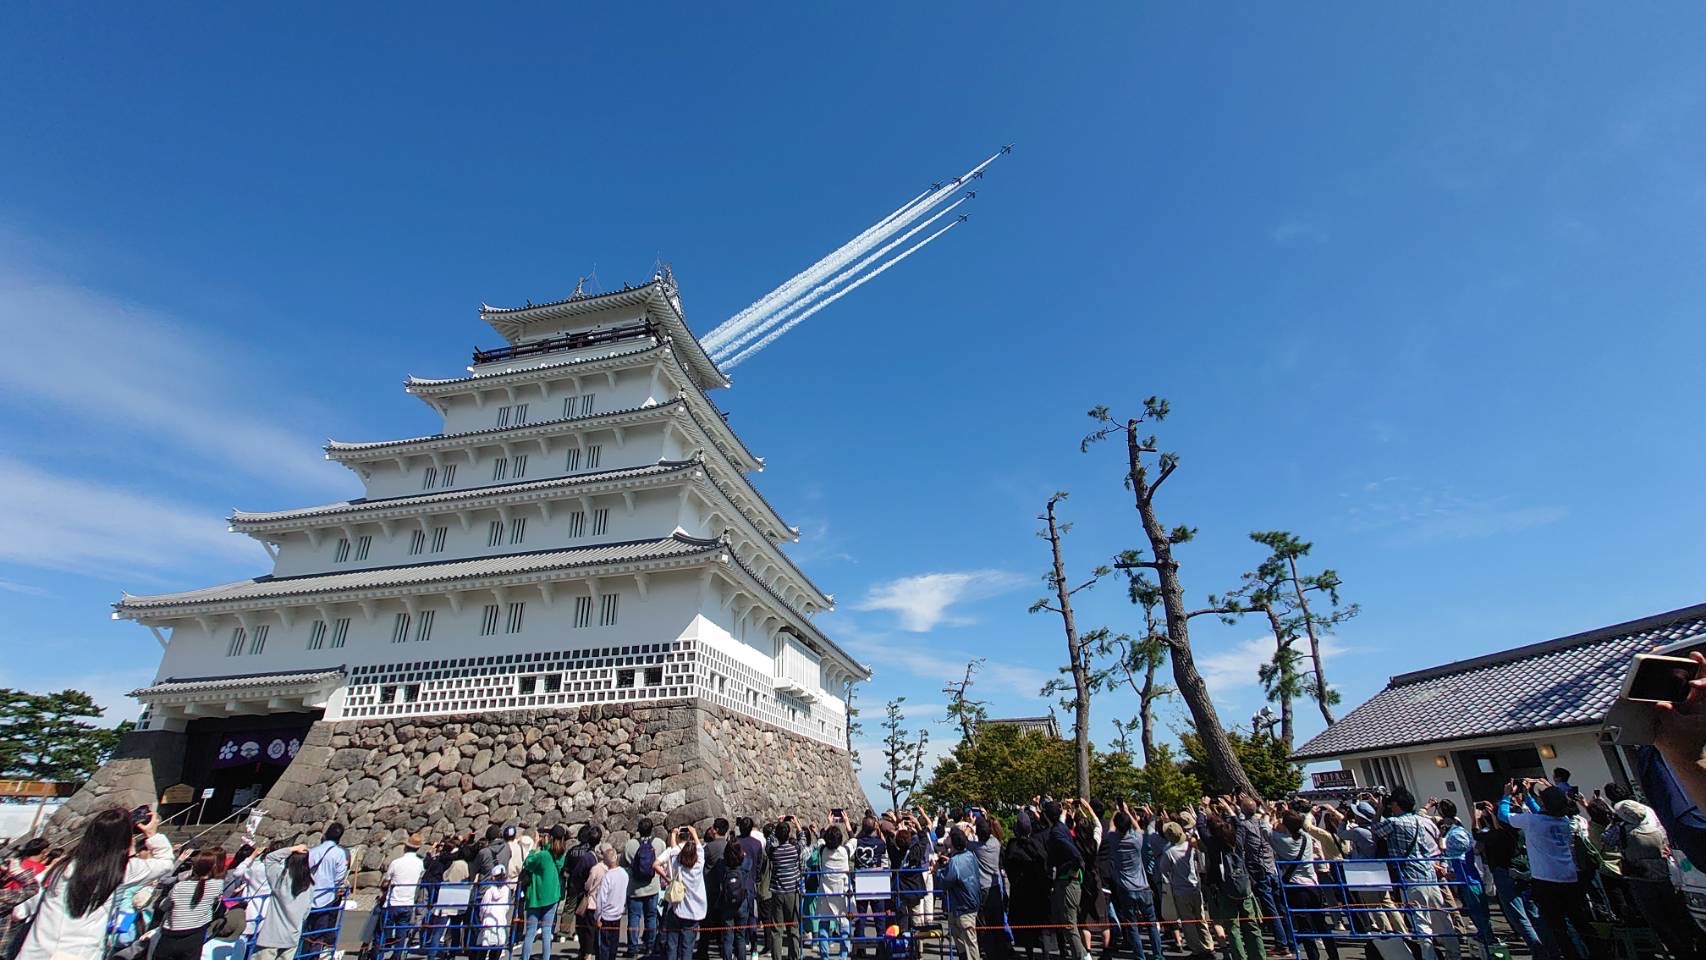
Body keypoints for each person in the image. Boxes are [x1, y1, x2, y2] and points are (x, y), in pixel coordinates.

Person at [15, 806, 174, 960]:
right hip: (79, 952)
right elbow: (165, 863)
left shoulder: (60, 867)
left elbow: (20, 911)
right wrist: (152, 834)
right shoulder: (121, 869)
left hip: (36, 951)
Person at [1499, 781, 1603, 960]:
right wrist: (1529, 796)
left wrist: (1507, 795)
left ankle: (1571, 955)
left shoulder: (1533, 821)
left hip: (1546, 880)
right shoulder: (1563, 821)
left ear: (1545, 803)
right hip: (1570, 877)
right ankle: (1597, 953)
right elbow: (1542, 812)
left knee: (1557, 926)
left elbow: (1504, 816)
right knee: (1579, 921)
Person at [1610, 799, 1703, 960]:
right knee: (1676, 915)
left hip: (1641, 880)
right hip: (1664, 877)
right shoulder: (1656, 828)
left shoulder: (1623, 832)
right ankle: (1689, 946)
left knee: (1658, 920)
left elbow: (1607, 841)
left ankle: (1677, 950)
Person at [1269, 809, 1339, 960]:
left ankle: (1313, 956)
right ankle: (1334, 955)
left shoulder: (1282, 842)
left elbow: (1266, 830)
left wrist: (1273, 816)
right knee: (1321, 923)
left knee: (1304, 925)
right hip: (1313, 884)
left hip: (1296, 886)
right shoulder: (1307, 838)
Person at [1200, 813, 1263, 960]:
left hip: (1226, 891)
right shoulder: (1238, 842)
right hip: (1245, 889)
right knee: (1252, 927)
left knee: (1233, 929)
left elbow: (1200, 827)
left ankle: (1239, 957)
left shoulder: (1213, 845)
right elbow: (1240, 825)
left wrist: (1201, 813)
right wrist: (1231, 812)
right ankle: (1259, 955)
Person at [1232, 795, 1291, 953]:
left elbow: (1238, 847)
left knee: (1271, 907)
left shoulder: (1244, 826)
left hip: (1259, 869)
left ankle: (1282, 943)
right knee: (1281, 906)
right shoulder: (1264, 823)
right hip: (1272, 866)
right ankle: (1291, 939)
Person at [1102, 810, 1161, 960]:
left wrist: (1115, 814)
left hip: (1126, 888)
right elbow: (1139, 829)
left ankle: (1140, 956)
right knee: (1151, 924)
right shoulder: (1136, 839)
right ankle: (1157, 954)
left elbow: (1110, 829)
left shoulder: (1113, 839)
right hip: (1143, 886)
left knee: (1132, 925)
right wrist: (1128, 812)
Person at [1156, 821, 1212, 960]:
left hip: (1180, 890)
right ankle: (1208, 945)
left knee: (1188, 922)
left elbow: (1163, 869)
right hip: (1194, 886)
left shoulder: (1169, 852)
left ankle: (1197, 949)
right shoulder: (1190, 845)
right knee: (1201, 918)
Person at [156, 849, 224, 960]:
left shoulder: (180, 886)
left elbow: (164, 906)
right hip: (196, 934)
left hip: (172, 935)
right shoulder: (218, 885)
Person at [251, 844, 315, 960]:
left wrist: (293, 849)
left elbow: (270, 858)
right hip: (292, 936)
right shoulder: (309, 885)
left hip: (272, 935)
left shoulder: (279, 879)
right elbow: (306, 912)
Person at [1000, 813, 1048, 960]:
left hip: (1021, 890)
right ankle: (1044, 954)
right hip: (1036, 890)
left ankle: (1030, 954)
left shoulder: (1012, 846)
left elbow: (1007, 865)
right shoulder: (1036, 844)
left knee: (1026, 926)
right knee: (1040, 925)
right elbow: (1044, 864)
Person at [1040, 801, 1085, 960]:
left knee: (1069, 925)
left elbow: (1076, 855)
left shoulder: (1056, 833)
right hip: (1064, 881)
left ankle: (1082, 957)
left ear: (1046, 815)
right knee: (1067, 924)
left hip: (1067, 883)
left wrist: (1074, 869)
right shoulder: (1060, 826)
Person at [519, 827, 567, 960]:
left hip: (536, 897)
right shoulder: (560, 855)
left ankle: (525, 957)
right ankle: (546, 957)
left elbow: (528, 863)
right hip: (552, 896)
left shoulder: (542, 855)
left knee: (530, 932)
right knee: (547, 932)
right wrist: (545, 844)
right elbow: (550, 854)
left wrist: (535, 845)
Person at [659, 827, 706, 960]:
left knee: (672, 944)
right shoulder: (699, 865)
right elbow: (700, 850)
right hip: (694, 911)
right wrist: (694, 833)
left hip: (677, 908)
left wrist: (674, 834)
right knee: (687, 947)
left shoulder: (677, 864)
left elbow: (674, 851)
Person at [934, 828, 980, 960]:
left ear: (953, 842)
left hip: (961, 906)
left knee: (968, 944)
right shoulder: (970, 855)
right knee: (968, 942)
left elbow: (945, 882)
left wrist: (937, 870)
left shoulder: (955, 862)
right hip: (969, 903)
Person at [303, 823, 348, 952]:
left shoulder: (313, 851)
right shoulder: (339, 854)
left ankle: (303, 954)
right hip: (327, 897)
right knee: (320, 933)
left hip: (309, 894)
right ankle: (314, 955)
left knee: (305, 930)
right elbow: (339, 878)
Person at [381, 834, 427, 960]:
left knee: (385, 931)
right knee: (401, 933)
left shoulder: (396, 863)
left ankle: (380, 954)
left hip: (393, 901)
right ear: (417, 848)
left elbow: (386, 881)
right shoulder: (420, 864)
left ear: (405, 847)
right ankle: (396, 956)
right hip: (408, 901)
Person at [624, 819, 665, 959]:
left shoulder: (630, 844)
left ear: (638, 830)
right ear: (652, 829)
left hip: (635, 888)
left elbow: (624, 862)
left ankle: (632, 948)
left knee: (634, 918)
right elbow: (663, 863)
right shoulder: (659, 843)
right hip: (652, 887)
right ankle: (650, 946)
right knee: (651, 917)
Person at [765, 819, 804, 960]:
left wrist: (777, 824)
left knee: (777, 930)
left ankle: (777, 957)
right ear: (788, 835)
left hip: (777, 893)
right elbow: (803, 840)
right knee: (793, 928)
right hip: (792, 892)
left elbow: (768, 840)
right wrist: (797, 825)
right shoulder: (795, 850)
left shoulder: (773, 852)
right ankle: (794, 956)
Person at [708, 841, 751, 960]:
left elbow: (718, 877)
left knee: (727, 937)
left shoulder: (722, 864)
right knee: (740, 936)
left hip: (727, 902)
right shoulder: (745, 863)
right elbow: (752, 866)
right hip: (742, 901)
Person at [814, 821, 851, 958]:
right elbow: (853, 839)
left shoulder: (822, 850)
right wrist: (847, 823)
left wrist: (828, 823)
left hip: (825, 892)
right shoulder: (845, 851)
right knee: (844, 923)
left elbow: (820, 838)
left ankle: (825, 956)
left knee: (824, 923)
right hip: (842, 892)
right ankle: (843, 955)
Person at [565, 826, 602, 960]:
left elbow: (575, 874)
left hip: (584, 893)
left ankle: (587, 953)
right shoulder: (595, 856)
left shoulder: (582, 855)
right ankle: (589, 952)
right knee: (590, 925)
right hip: (594, 894)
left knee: (584, 926)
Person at [595, 847, 629, 960]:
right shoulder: (624, 874)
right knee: (614, 945)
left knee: (604, 946)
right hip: (618, 914)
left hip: (606, 916)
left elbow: (601, 899)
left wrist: (598, 917)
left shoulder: (607, 876)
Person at [476, 864, 513, 960]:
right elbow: (507, 907)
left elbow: (483, 907)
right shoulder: (507, 891)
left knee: (483, 948)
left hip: (488, 921)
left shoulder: (489, 891)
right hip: (500, 921)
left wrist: (481, 917)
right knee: (497, 949)